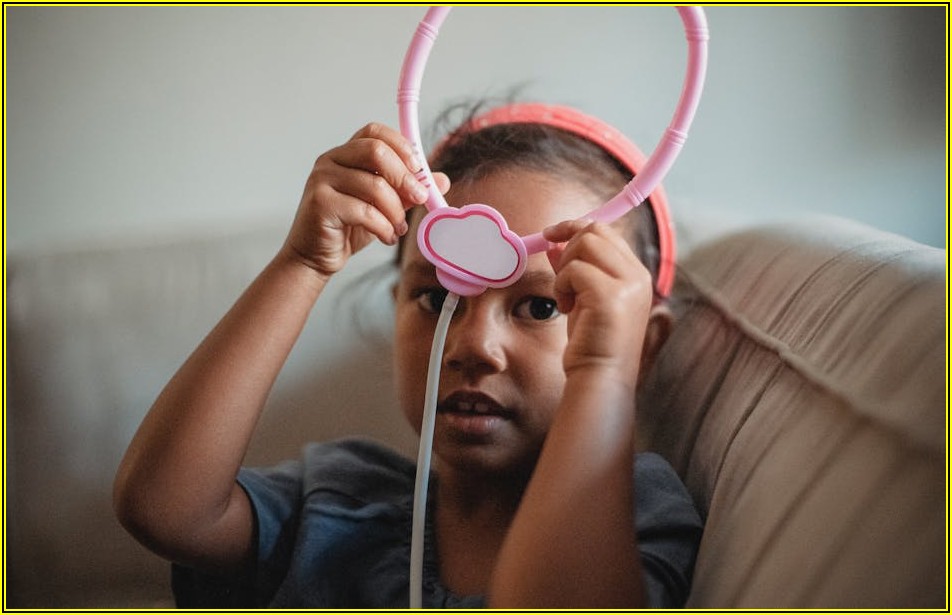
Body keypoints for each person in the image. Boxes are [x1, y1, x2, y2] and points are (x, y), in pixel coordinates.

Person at [113, 101, 703, 609]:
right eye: (436, 297)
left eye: (541, 308)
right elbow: (164, 510)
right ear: (397, 305)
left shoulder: (637, 515)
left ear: (642, 347)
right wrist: (304, 262)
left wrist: (603, 373)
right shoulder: (338, 504)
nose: (473, 346)